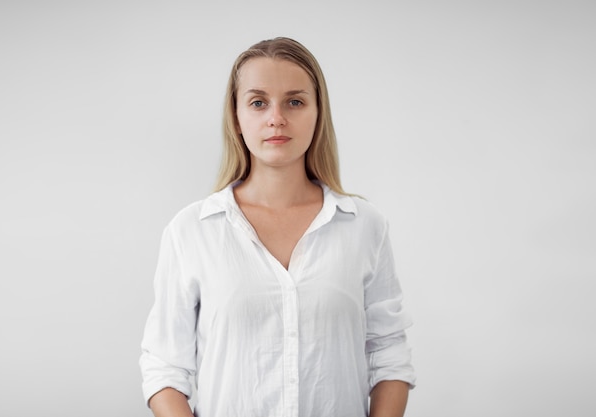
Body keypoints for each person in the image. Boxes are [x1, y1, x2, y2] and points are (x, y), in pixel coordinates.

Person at [140, 37, 416, 417]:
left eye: (295, 101)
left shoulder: (364, 226)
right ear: (236, 118)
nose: (276, 118)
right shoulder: (191, 230)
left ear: (318, 113)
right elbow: (164, 367)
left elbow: (389, 353)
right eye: (258, 102)